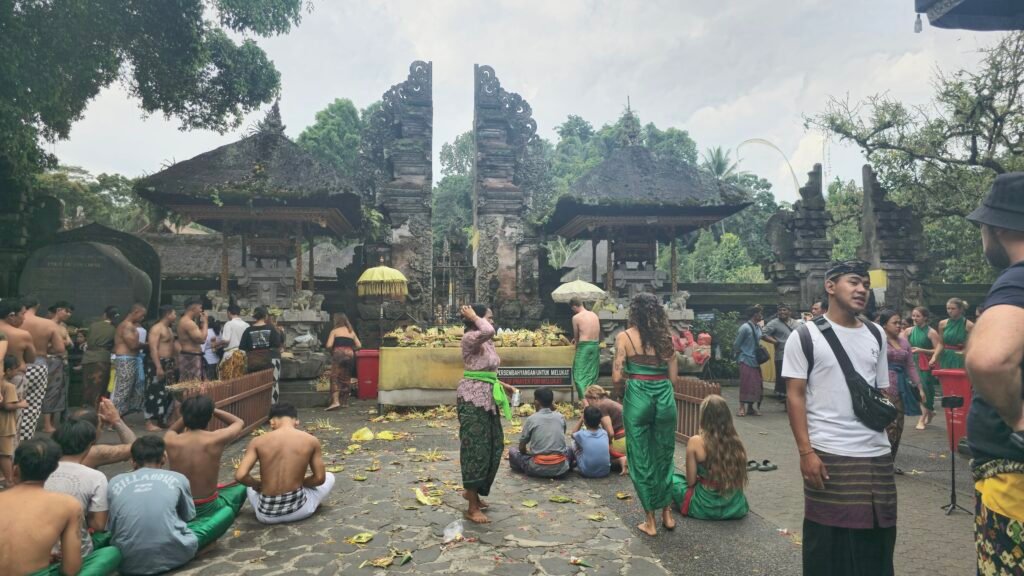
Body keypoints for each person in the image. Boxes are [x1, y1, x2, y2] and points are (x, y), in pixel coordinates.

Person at [782, 260, 895, 576]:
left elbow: (881, 389)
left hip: (876, 455)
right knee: (828, 547)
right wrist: (806, 453)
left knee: (878, 542)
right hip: (830, 454)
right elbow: (795, 395)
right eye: (854, 282)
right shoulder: (805, 337)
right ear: (830, 286)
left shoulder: (876, 333)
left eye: (866, 285)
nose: (861, 290)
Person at [963, 173, 1024, 575]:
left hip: (1015, 490)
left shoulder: (1017, 279)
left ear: (997, 227)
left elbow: (988, 359)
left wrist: (1017, 419)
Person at [612, 292, 679, 536]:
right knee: (664, 454)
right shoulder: (667, 340)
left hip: (638, 396)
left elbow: (618, 376)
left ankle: (650, 521)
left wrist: (621, 393)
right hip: (664, 398)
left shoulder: (625, 337)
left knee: (640, 458)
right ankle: (667, 514)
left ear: (634, 312)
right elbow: (673, 379)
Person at [108, 435, 220, 575]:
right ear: (163, 458)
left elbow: (112, 527)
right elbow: (188, 517)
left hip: (128, 563)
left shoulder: (113, 482)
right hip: (176, 556)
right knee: (222, 515)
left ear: (133, 462)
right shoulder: (178, 478)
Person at [456, 303, 516, 524]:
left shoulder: (486, 341)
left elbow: (485, 371)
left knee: (494, 445)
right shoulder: (470, 338)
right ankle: (472, 506)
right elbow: (488, 330)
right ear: (476, 320)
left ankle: (474, 492)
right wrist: (473, 316)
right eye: (489, 317)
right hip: (472, 400)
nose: (492, 322)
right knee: (475, 450)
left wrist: (503, 385)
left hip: (489, 398)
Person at [235, 403, 335, 524]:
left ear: (272, 422)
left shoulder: (257, 441)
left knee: (249, 488)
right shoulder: (311, 440)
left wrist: (258, 484)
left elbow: (240, 476)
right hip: (299, 511)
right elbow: (319, 479)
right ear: (296, 421)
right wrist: (299, 483)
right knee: (330, 476)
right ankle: (311, 502)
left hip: (265, 515)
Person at [44, 419, 122, 572]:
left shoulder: (40, 469)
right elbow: (98, 525)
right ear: (89, 445)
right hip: (79, 556)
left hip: (38, 554)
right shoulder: (95, 477)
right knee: (113, 551)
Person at [164, 395, 247, 539]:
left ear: (184, 416)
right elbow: (239, 422)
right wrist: (213, 410)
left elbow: (172, 429)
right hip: (208, 506)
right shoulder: (216, 438)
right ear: (209, 417)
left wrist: (190, 413)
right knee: (241, 488)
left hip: (180, 507)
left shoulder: (171, 440)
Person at [0, 438, 83, 576]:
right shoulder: (69, 505)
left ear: (15, 469)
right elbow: (71, 570)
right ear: (54, 469)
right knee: (110, 553)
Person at [671, 394, 749, 520]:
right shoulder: (736, 442)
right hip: (734, 506)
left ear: (704, 417)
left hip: (704, 505)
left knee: (672, 480)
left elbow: (690, 482)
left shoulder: (696, 441)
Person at [879, 309, 921, 468]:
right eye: (895, 323)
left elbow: (910, 366)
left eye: (900, 323)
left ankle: (891, 461)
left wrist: (919, 386)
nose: (899, 326)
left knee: (899, 425)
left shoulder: (904, 342)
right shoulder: (879, 341)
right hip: (883, 387)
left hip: (901, 386)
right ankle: (882, 461)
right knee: (888, 425)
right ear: (884, 325)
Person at [21, 296, 68, 434]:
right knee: (36, 400)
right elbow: (60, 349)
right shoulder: (47, 324)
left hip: (17, 363)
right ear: (37, 306)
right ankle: (29, 432)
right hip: (38, 363)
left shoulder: (13, 323)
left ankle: (13, 429)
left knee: (15, 398)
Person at [509, 387, 571, 478]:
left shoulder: (531, 419)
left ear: (536, 402)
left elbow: (521, 447)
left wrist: (527, 452)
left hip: (537, 467)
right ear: (552, 402)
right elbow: (562, 433)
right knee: (569, 449)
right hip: (560, 468)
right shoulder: (560, 417)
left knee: (512, 451)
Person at [902, 306, 942, 430]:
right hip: (911, 363)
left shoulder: (931, 332)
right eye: (913, 316)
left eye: (918, 316)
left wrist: (921, 350)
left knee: (925, 390)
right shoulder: (908, 331)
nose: (914, 318)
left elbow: (938, 350)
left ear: (925, 318)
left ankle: (922, 418)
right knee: (915, 390)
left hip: (925, 363)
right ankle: (930, 412)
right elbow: (902, 346)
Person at [69, 398, 137, 470]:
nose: (102, 431)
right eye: (100, 427)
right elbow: (136, 448)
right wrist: (117, 420)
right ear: (93, 431)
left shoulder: (59, 444)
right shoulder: (92, 453)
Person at [580, 384, 628, 474]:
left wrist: (607, 444)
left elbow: (610, 433)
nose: (589, 405)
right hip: (627, 438)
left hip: (620, 440)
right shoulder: (609, 402)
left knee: (599, 459)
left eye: (588, 401)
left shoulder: (602, 406)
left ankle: (622, 459)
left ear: (594, 398)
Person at [240, 306, 283, 403]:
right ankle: (272, 406)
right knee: (274, 383)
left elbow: (242, 347)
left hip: (253, 362)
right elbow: (277, 344)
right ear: (266, 316)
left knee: (254, 385)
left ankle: (255, 406)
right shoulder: (271, 329)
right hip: (270, 361)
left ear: (254, 316)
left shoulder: (248, 330)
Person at [146, 305, 178, 431]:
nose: (176, 316)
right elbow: (153, 348)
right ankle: (148, 422)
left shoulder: (168, 329)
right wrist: (158, 366)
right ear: (168, 314)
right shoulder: (156, 328)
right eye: (174, 313)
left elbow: (172, 347)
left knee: (167, 393)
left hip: (169, 362)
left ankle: (161, 420)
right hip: (158, 362)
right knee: (153, 392)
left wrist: (175, 362)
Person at [111, 303, 146, 416]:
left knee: (129, 390)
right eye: (141, 315)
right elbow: (132, 345)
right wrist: (147, 345)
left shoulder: (129, 325)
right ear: (135, 312)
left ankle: (120, 417)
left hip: (131, 359)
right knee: (123, 390)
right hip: (126, 360)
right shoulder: (126, 325)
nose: (142, 318)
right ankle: (113, 418)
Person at [733, 305, 765, 417]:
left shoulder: (758, 327)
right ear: (755, 314)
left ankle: (751, 408)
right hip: (746, 359)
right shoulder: (745, 328)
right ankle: (741, 407)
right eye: (760, 313)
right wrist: (738, 355)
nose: (761, 315)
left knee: (756, 385)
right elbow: (736, 344)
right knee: (745, 384)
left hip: (755, 360)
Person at [82, 306, 118, 407]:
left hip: (88, 359)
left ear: (104, 315)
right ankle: (97, 412)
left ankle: (87, 410)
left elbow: (89, 340)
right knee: (100, 389)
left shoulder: (93, 325)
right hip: (103, 359)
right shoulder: (114, 329)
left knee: (87, 387)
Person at [763, 303, 798, 401]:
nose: (782, 312)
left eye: (784, 310)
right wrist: (775, 341)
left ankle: (792, 397)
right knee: (782, 378)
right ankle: (784, 399)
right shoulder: (774, 323)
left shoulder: (796, 323)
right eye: (780, 310)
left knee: (794, 377)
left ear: (789, 311)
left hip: (796, 355)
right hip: (781, 355)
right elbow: (763, 333)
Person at [325, 313, 360, 411]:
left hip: (338, 353)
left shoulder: (334, 331)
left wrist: (332, 350)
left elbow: (328, 345)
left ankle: (336, 402)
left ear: (336, 321)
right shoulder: (351, 332)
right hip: (350, 353)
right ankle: (344, 402)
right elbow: (359, 345)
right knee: (346, 377)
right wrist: (350, 348)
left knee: (335, 377)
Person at [1, 355, 27, 483]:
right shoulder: (9, 386)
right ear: (9, 370)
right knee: (6, 454)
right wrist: (21, 404)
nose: (17, 372)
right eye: (16, 369)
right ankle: (9, 480)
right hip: (5, 426)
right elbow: (7, 405)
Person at [570, 297, 601, 404]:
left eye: (572, 308)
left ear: (574, 306)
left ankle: (586, 404)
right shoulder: (594, 315)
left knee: (578, 374)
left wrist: (575, 342)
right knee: (591, 375)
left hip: (584, 346)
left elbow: (576, 335)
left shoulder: (576, 317)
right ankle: (594, 401)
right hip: (595, 345)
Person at [571, 406, 610, 478]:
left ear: (585, 421)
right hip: (605, 471)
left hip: (587, 472)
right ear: (599, 421)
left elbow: (572, 434)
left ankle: (578, 466)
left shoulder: (581, 434)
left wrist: (581, 419)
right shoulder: (604, 433)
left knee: (574, 443)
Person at [177, 298, 208, 382]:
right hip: (191, 356)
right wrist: (205, 323)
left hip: (192, 355)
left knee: (194, 385)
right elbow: (202, 339)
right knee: (192, 386)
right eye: (200, 308)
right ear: (193, 308)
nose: (201, 310)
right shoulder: (188, 323)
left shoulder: (187, 321)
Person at [938, 297, 973, 370]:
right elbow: (941, 343)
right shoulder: (942, 324)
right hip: (946, 356)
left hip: (960, 356)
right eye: (948, 308)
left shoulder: (969, 325)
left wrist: (965, 351)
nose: (950, 311)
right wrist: (934, 357)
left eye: (953, 309)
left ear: (960, 309)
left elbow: (973, 345)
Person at [218, 304, 249, 380]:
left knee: (228, 377)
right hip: (243, 355)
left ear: (229, 312)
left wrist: (216, 344)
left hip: (231, 355)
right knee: (241, 378)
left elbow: (226, 340)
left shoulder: (229, 324)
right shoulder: (247, 325)